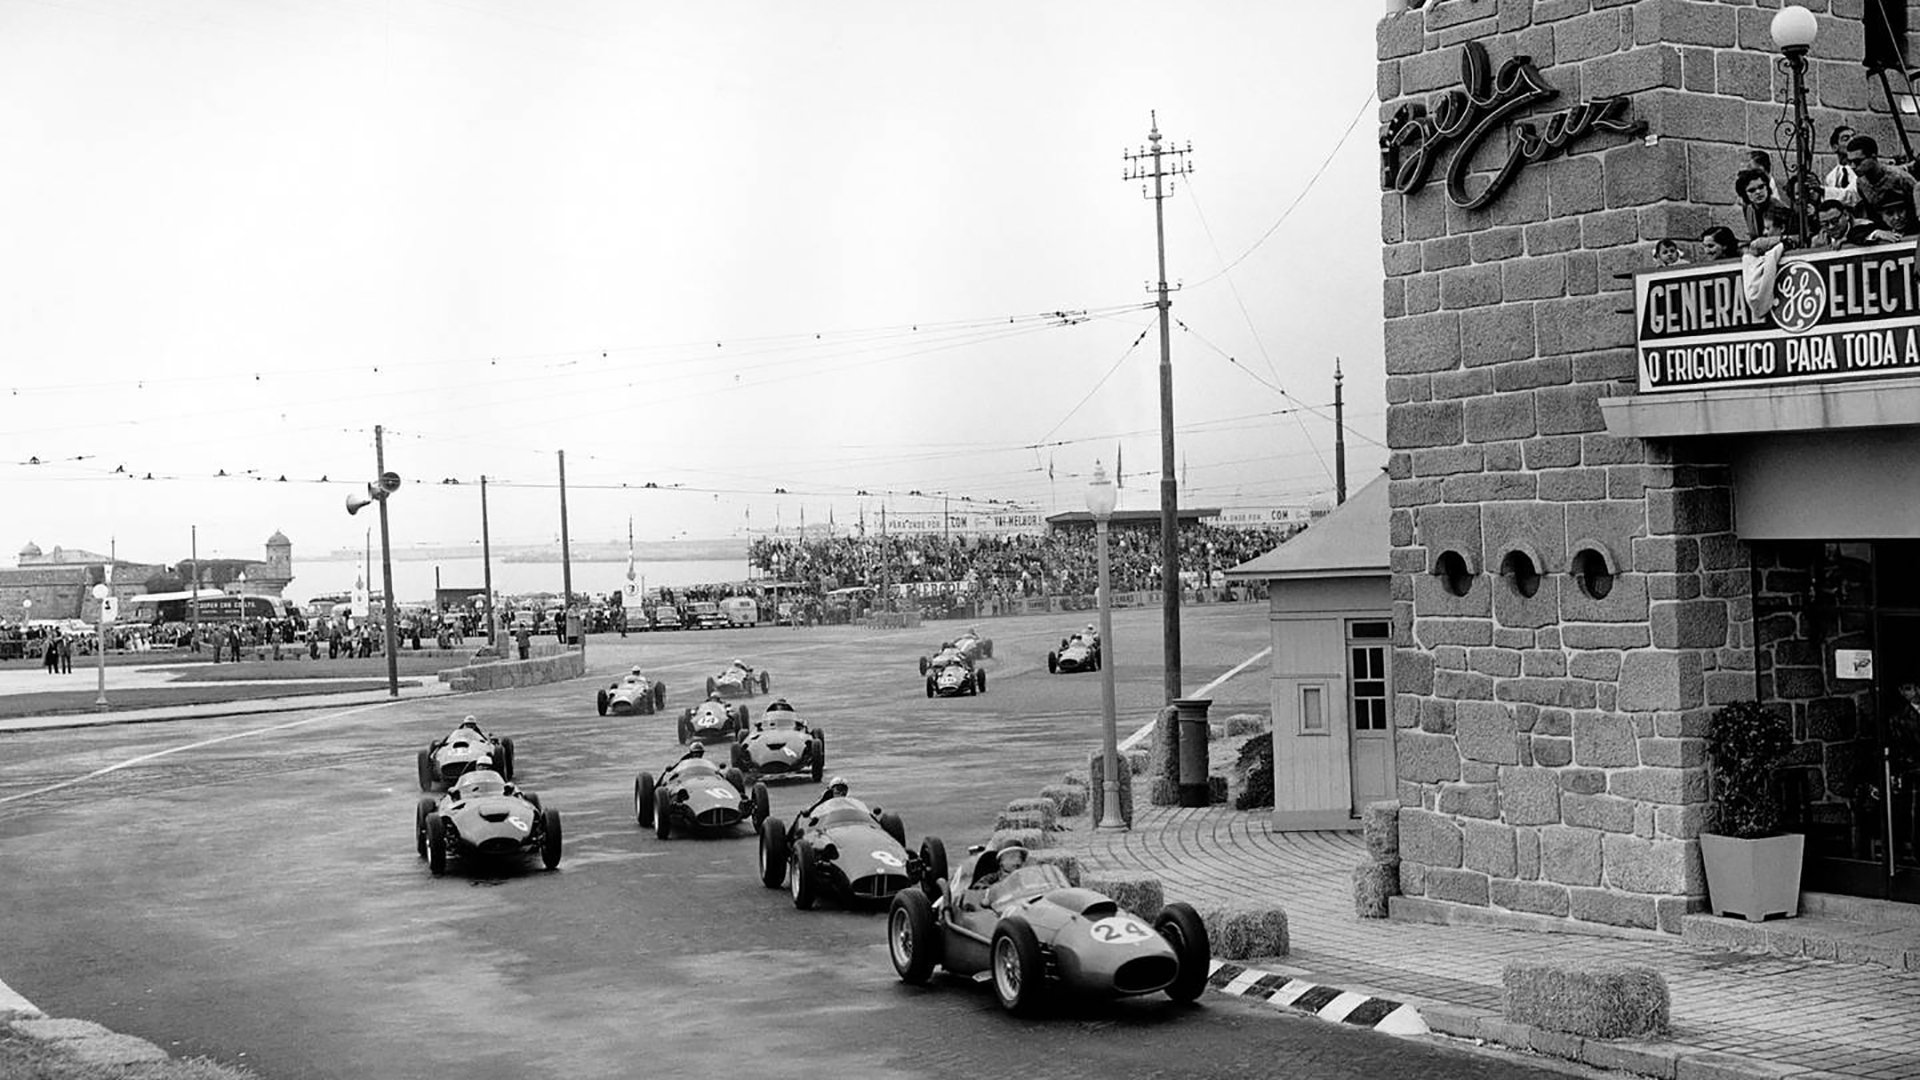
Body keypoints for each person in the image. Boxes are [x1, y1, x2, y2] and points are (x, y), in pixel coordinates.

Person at [1846, 134, 1916, 229]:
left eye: (1858, 161)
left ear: (1873, 157)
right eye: (1849, 162)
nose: (1853, 166)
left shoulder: (1900, 178)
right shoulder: (1861, 183)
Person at [1735, 166, 1790, 242]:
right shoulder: (1748, 208)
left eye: (1761, 187)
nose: (1758, 192)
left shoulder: (1780, 208)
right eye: (1752, 190)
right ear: (1744, 194)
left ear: (1767, 187)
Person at [1812, 199, 1881, 250]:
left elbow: (1873, 233)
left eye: (1835, 221)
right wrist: (1819, 249)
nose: (1831, 227)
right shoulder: (1818, 240)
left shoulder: (1865, 226)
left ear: (1846, 215)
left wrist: (1848, 239)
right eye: (1825, 224)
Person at [1825, 124, 1861, 206]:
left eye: (1854, 137)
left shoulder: (1861, 170)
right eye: (1846, 139)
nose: (1852, 140)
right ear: (1835, 147)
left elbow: (1852, 195)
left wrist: (1823, 191)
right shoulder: (1830, 177)